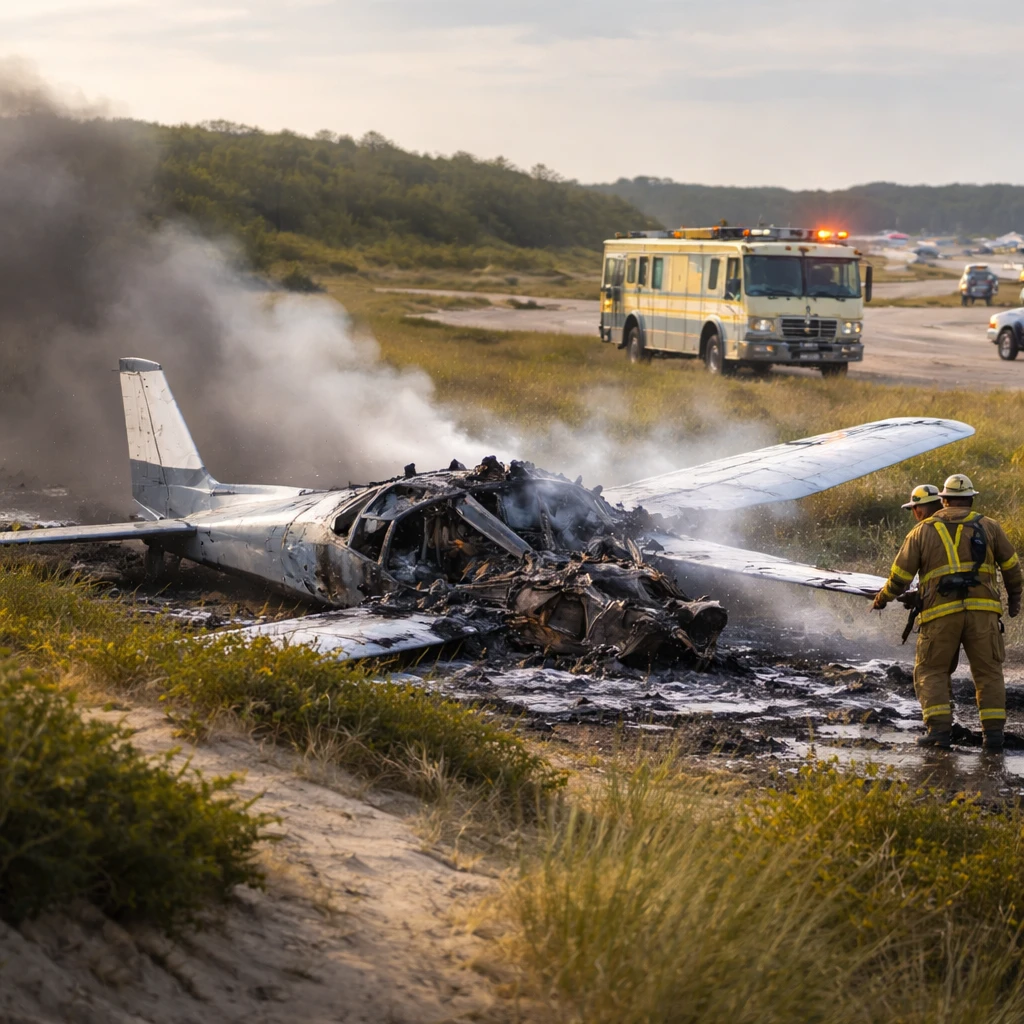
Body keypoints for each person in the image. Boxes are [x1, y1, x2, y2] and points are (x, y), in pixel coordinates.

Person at [873, 475, 1021, 750]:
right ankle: (994, 737)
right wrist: (1014, 600)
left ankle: (939, 733)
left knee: (932, 670)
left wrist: (882, 598)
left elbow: (900, 576)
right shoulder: (990, 527)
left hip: (941, 616)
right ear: (971, 499)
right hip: (984, 614)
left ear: (943, 500)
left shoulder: (922, 530)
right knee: (989, 673)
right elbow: (1012, 567)